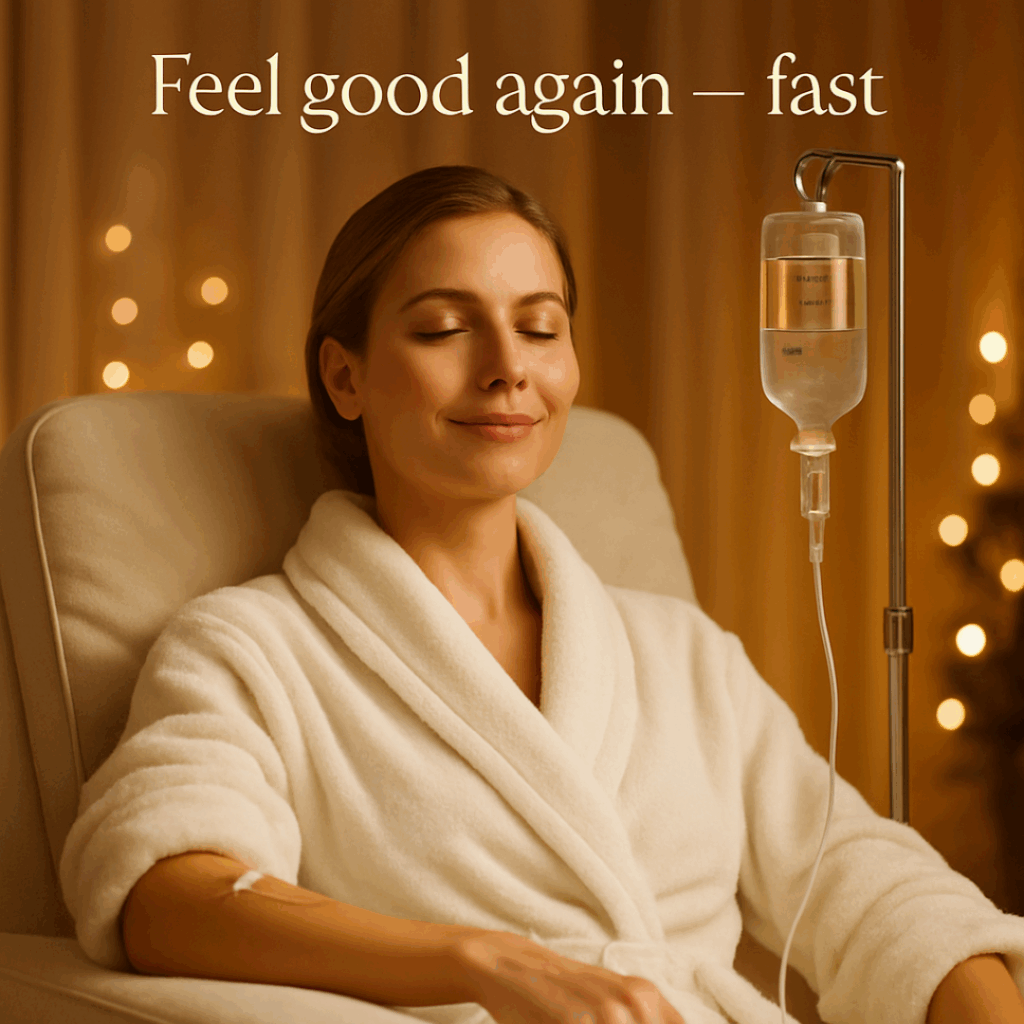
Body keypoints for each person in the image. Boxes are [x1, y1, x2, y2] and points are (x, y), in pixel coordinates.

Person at [59, 165, 1024, 1024]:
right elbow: (165, 892)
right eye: (444, 326)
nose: (508, 366)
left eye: (539, 326)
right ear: (343, 375)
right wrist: (483, 963)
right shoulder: (251, 648)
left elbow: (872, 888)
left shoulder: (679, 652)